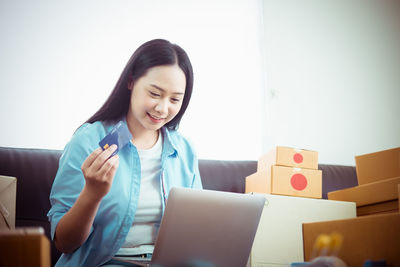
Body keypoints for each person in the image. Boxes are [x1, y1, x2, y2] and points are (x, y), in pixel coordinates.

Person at [47, 39, 203, 267]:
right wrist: (92, 193)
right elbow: (64, 243)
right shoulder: (90, 140)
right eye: (154, 93)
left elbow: (199, 225)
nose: (162, 108)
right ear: (131, 81)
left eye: (174, 99)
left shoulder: (184, 150)